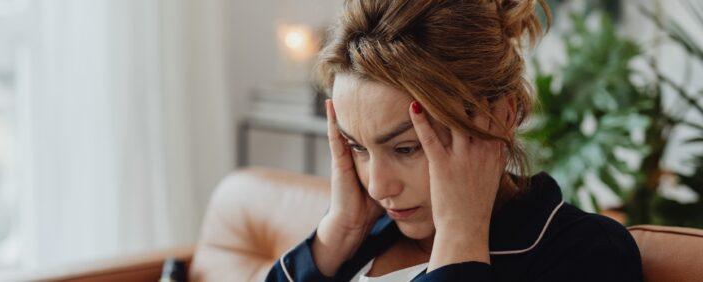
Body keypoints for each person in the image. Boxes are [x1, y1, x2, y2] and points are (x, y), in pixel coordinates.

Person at [266, 0, 643, 281]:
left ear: (500, 118)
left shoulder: (584, 253)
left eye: (406, 148)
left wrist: (461, 241)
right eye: (358, 147)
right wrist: (339, 233)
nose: (380, 187)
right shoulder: (364, 235)